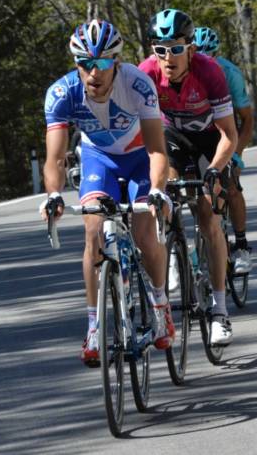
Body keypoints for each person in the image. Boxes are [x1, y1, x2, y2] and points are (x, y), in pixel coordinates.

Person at [41, 19, 174, 366]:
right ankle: (94, 325)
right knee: (94, 230)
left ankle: (161, 306)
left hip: (139, 158)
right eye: (85, 64)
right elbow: (54, 158)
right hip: (99, 161)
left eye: (100, 64)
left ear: (116, 61)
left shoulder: (138, 84)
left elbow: (158, 151)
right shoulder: (62, 93)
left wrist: (158, 190)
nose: (92, 73)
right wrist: (54, 195)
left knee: (146, 234)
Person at [139, 9, 239, 345]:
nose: (168, 58)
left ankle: (220, 311)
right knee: (165, 191)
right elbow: (140, 133)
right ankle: (173, 248)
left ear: (191, 49)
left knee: (210, 218)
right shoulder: (147, 73)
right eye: (161, 49)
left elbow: (229, 135)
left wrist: (214, 170)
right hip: (172, 138)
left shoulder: (209, 72)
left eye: (176, 48)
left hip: (211, 139)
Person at [193, 26, 254, 274]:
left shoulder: (230, 74)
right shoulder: (186, 71)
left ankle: (241, 245)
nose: (206, 61)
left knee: (230, 187)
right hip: (197, 133)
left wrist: (236, 153)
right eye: (199, 55)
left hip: (225, 133)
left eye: (211, 56)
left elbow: (247, 120)